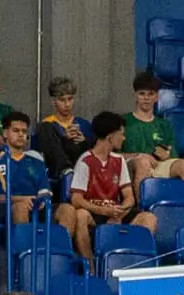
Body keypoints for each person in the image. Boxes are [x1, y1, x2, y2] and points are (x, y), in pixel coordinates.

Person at [56, 112, 156, 268]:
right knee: (81, 215)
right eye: (121, 134)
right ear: (111, 138)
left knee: (149, 218)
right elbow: (76, 199)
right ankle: (90, 266)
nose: (124, 138)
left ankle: (130, 262)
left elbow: (129, 196)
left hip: (114, 211)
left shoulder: (119, 160)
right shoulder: (85, 161)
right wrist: (103, 211)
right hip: (95, 212)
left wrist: (120, 211)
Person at [0, 112, 54, 227]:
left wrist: (39, 201)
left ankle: (56, 245)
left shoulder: (37, 163)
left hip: (35, 209)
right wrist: (21, 200)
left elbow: (45, 194)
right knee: (21, 207)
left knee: (67, 210)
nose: (21, 135)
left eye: (24, 131)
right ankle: (23, 245)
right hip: (4, 211)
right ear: (5, 133)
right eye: (16, 130)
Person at [119, 71, 176, 184]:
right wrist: (138, 155)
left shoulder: (164, 125)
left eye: (150, 94)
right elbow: (112, 154)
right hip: (131, 164)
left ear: (156, 97)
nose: (146, 98)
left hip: (160, 164)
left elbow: (173, 153)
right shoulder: (123, 121)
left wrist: (167, 155)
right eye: (142, 93)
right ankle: (142, 201)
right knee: (143, 162)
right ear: (135, 95)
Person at [33, 76, 87, 179]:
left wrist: (84, 143)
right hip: (55, 175)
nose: (67, 104)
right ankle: (65, 170)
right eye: (62, 100)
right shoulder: (46, 126)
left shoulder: (84, 124)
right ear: (53, 101)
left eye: (70, 99)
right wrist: (64, 140)